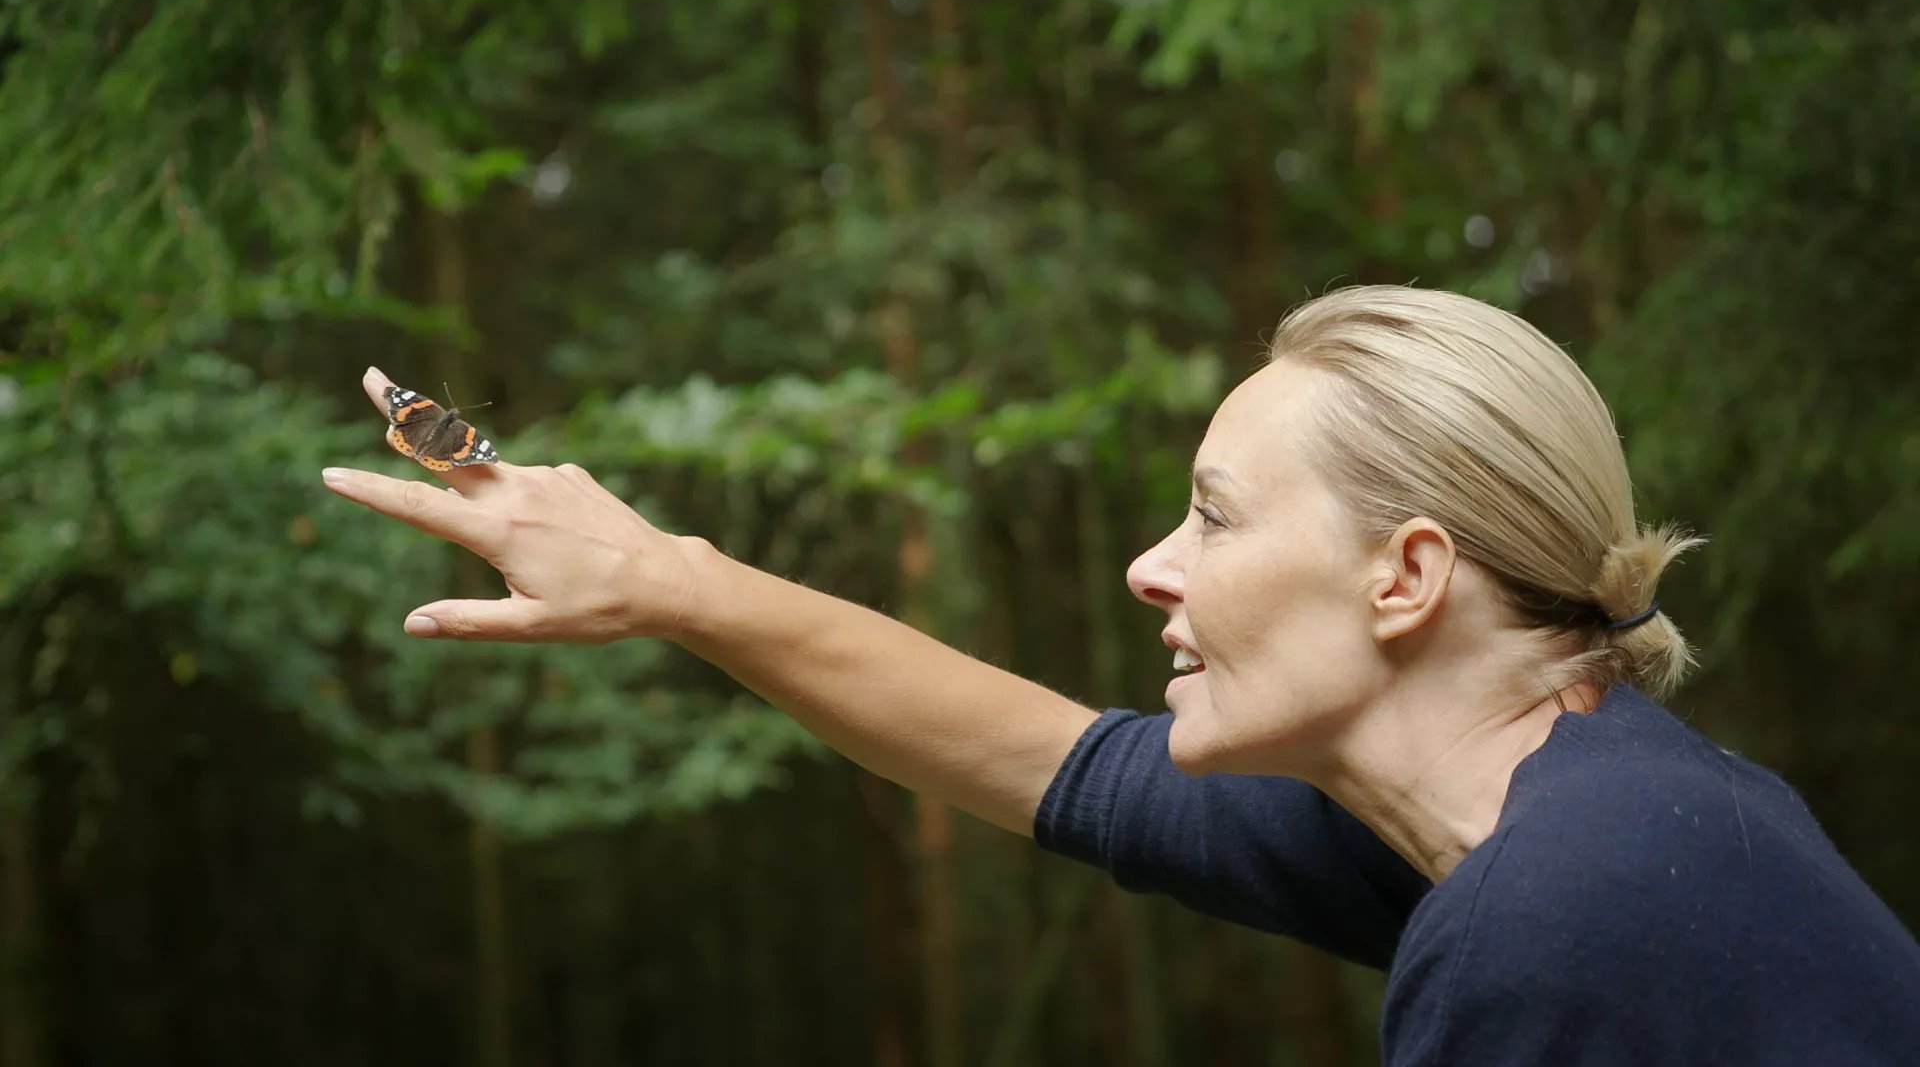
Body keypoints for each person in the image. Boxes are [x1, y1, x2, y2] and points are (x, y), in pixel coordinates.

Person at [322, 286, 1920, 1063]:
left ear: (1408, 575)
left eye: (1213, 517)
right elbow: (1055, 766)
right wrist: (675, 585)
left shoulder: (1557, 928)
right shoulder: (1575, 805)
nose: (1153, 563)